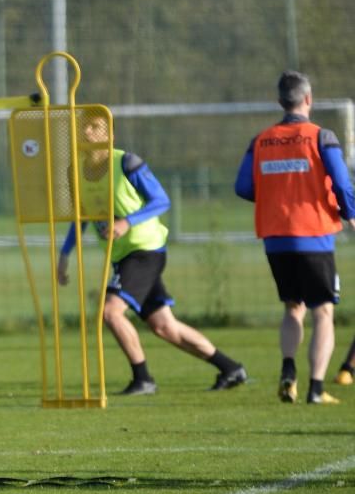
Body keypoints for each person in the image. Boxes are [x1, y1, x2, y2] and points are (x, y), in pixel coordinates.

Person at [57, 112, 247, 396]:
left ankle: (143, 379)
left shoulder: (126, 162)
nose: (88, 132)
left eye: (96, 127)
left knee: (110, 312)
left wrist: (126, 221)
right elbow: (81, 217)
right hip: (123, 256)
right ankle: (231, 368)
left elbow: (161, 200)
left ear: (110, 135)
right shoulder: (76, 171)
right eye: (84, 126)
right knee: (164, 326)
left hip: (145, 250)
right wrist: (65, 254)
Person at [235, 70, 355, 404]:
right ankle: (316, 388)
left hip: (275, 237)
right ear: (308, 98)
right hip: (313, 233)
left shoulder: (260, 140)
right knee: (323, 311)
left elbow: (243, 186)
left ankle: (288, 371)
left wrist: (277, 197)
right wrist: (350, 213)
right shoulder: (320, 136)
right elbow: (342, 182)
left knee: (292, 308)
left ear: (280, 101)